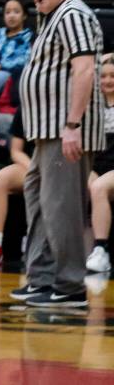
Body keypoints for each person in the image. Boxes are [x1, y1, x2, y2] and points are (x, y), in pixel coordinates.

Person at [14, 0, 105, 308]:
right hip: (47, 131)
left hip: (65, 130)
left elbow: (83, 71)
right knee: (38, 201)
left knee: (61, 206)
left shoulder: (72, 14)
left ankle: (70, 286)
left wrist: (72, 125)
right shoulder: (52, 18)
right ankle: (41, 279)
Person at [0, 105, 33, 265]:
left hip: (60, 167)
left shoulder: (68, 108)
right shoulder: (26, 107)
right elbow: (16, 151)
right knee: (0, 178)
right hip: (30, 166)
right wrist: (34, 169)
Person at [85, 56, 114, 274]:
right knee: (78, 182)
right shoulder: (92, 106)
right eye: (103, 76)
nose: (108, 80)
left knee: (98, 188)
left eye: (113, 76)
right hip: (95, 166)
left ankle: (101, 250)